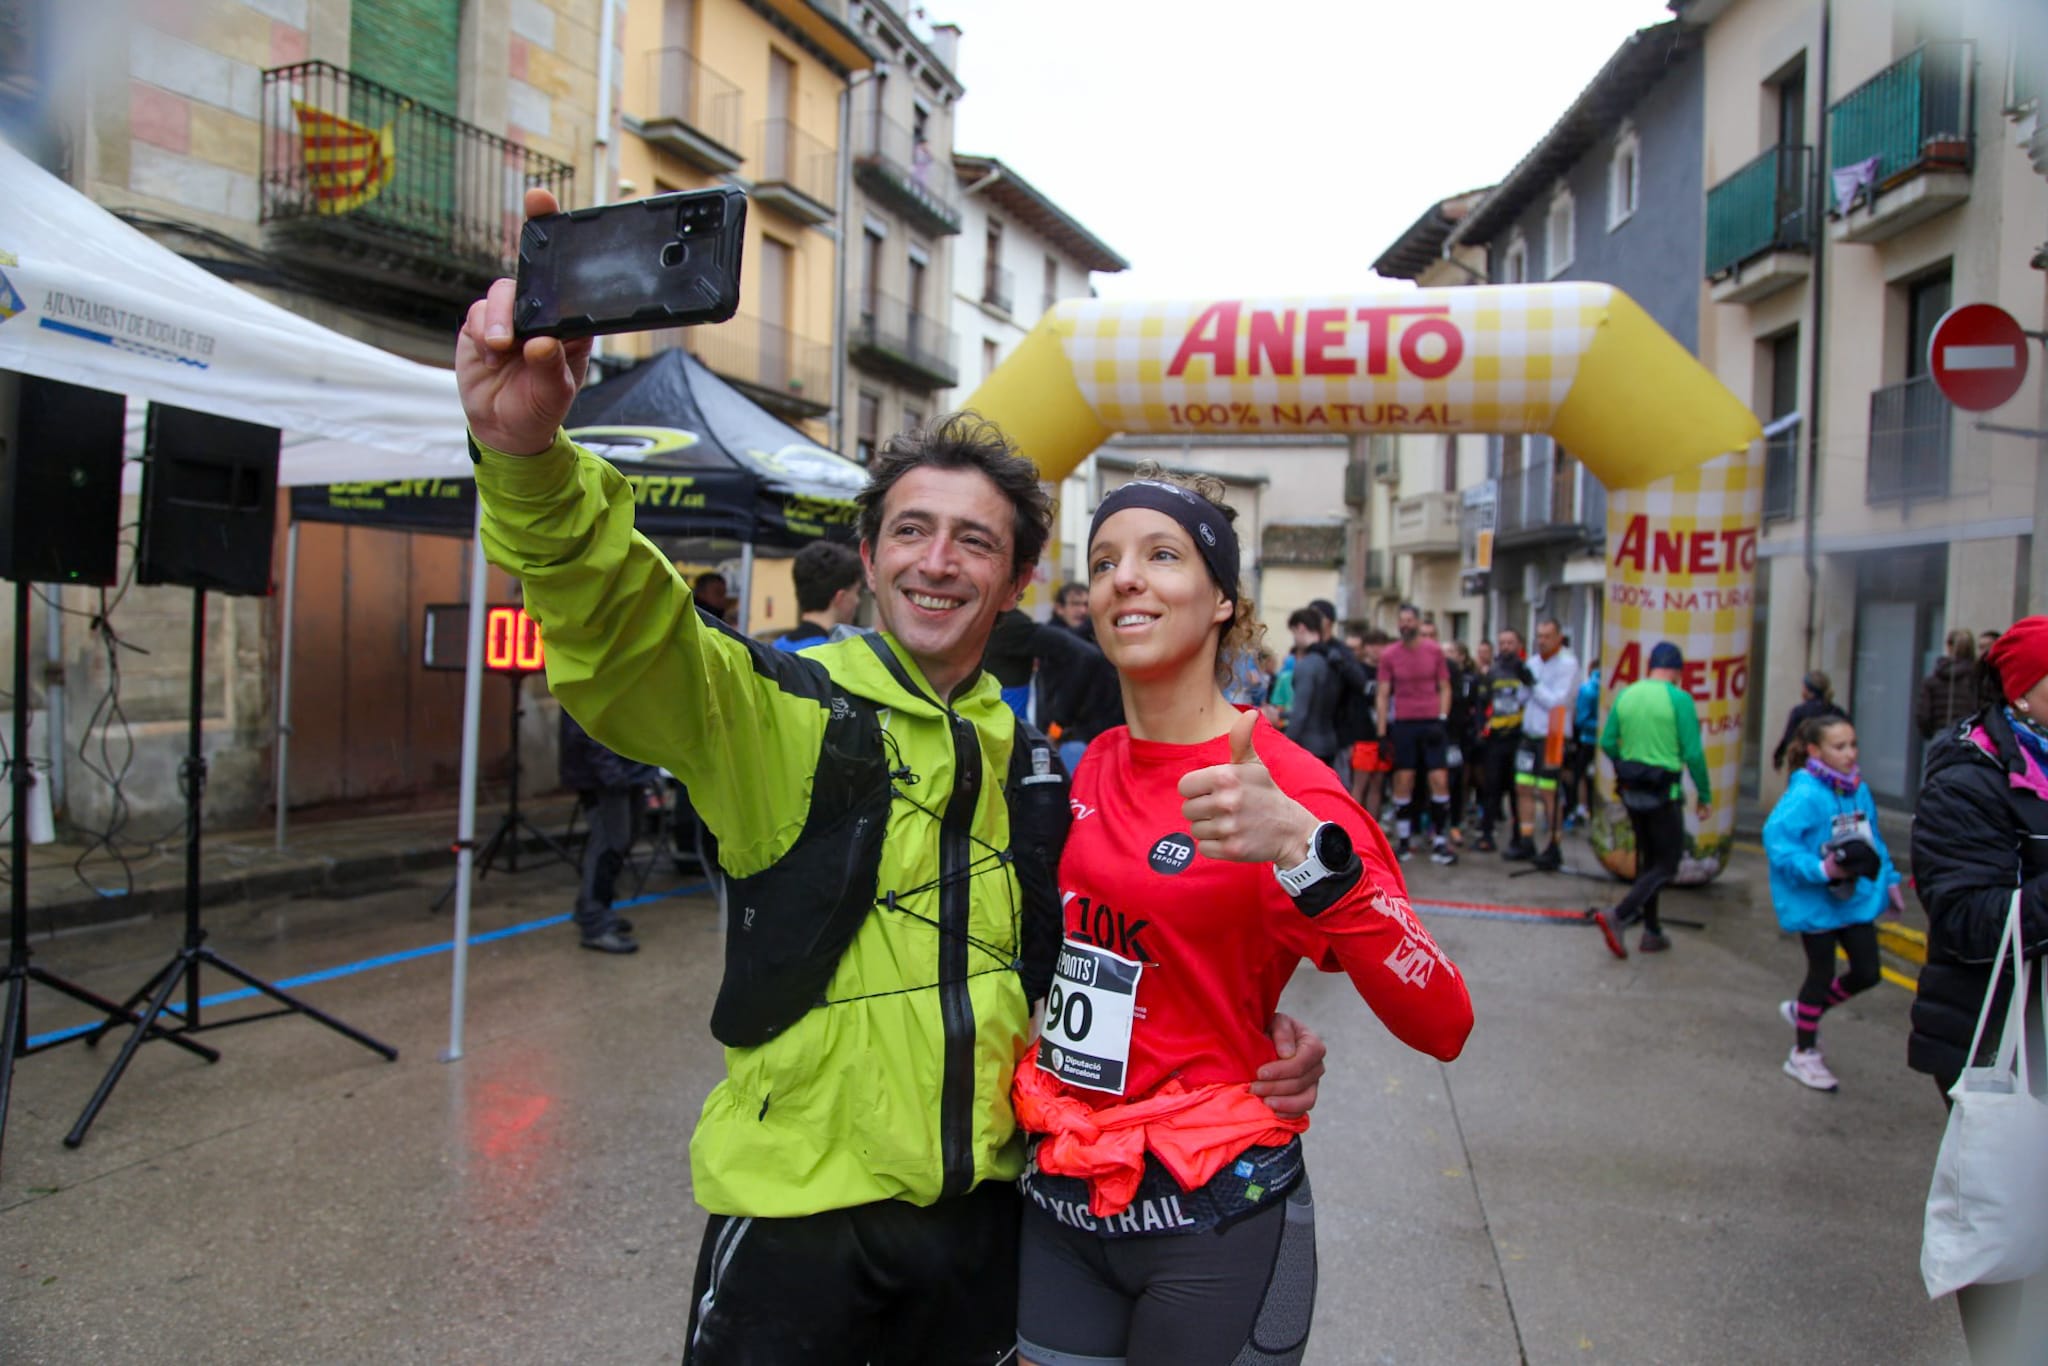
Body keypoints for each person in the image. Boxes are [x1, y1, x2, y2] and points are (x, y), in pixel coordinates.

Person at [454, 217, 1328, 1365]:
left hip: (983, 1222)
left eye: (974, 542)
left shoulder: (1036, 762)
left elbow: (1121, 952)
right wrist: (525, 461)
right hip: (796, 1219)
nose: (935, 559)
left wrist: (1249, 1040)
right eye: (909, 530)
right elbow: (625, 627)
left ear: (1013, 581)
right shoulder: (778, 710)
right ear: (864, 558)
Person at [1012, 468, 1474, 1366]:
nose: (1124, 579)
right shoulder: (1090, 763)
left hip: (1211, 1216)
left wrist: (1309, 853)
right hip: (1062, 1197)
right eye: (1105, 561)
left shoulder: (1288, 787)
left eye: (1161, 555)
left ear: (1223, 599)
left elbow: (1444, 1018)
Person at [1909, 616, 2048, 1362]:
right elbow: (1965, 918)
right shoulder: (1968, 775)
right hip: (1996, 1035)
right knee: (2010, 1231)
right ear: (2025, 691)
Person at [1762, 714, 1902, 1090]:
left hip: (1854, 900)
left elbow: (1873, 838)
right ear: (1815, 751)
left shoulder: (1859, 790)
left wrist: (1889, 880)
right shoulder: (1805, 794)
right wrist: (1820, 869)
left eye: (1853, 744)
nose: (1850, 753)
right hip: (1815, 905)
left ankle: (1806, 1012)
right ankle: (1803, 1054)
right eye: (1839, 747)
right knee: (1820, 975)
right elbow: (1777, 842)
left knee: (1868, 971)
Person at [1588, 643, 1710, 957]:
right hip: (1663, 794)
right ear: (1678, 672)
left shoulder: (1627, 695)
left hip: (1631, 792)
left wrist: (1628, 765)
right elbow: (1694, 754)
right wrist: (1705, 796)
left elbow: (1607, 742)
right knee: (1667, 865)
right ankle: (1620, 914)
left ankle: (1652, 932)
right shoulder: (1679, 699)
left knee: (1648, 863)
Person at [559, 708, 659, 954]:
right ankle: (595, 923)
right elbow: (583, 724)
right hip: (605, 774)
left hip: (628, 770)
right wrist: (611, 772)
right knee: (608, 843)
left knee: (623, 839)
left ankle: (594, 910)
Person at [1377, 603, 1457, 865]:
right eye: (1402, 620)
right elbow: (1383, 693)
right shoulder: (1389, 654)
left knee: (1439, 779)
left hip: (1432, 722)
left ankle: (1440, 842)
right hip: (1404, 723)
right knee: (1404, 780)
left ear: (1418, 623)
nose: (1405, 624)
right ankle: (1403, 841)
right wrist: (1381, 733)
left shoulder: (1434, 651)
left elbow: (1445, 687)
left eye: (1410, 620)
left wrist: (1443, 719)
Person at [1509, 619, 1579, 870]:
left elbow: (1557, 702)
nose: (1542, 641)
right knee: (1523, 786)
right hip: (1529, 734)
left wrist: (1534, 684)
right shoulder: (1533, 663)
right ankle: (1526, 839)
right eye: (1539, 636)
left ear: (1559, 637)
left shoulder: (1568, 664)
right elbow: (1521, 698)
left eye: (1547, 636)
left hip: (1553, 735)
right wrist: (1523, 681)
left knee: (1549, 792)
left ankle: (1554, 843)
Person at [1476, 628, 1533, 853]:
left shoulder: (1526, 671)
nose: (1506, 646)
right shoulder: (1493, 672)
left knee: (1516, 790)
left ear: (1519, 644)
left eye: (1510, 642)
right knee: (1491, 788)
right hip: (1496, 739)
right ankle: (1487, 834)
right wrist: (1481, 728)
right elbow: (1481, 703)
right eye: (1502, 642)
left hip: (1519, 738)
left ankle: (1518, 837)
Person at [772, 540, 866, 652]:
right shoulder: (837, 656)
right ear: (840, 597)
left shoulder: (776, 648)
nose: (857, 601)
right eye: (856, 592)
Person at [1339, 624, 1390, 824]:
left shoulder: (1388, 671)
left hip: (1382, 735)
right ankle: (1354, 827)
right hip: (1361, 735)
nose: (1377, 650)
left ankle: (1373, 826)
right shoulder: (1356, 671)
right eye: (1373, 645)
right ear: (1365, 647)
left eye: (1381, 645)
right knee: (1360, 783)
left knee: (1378, 784)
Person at [1284, 607, 1340, 766]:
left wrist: (1285, 744)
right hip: (1330, 740)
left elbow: (1301, 712)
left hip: (1309, 745)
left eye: (1294, 633)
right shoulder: (1332, 661)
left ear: (1301, 628)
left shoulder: (1307, 665)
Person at [1770, 670, 1847, 771]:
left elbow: (1788, 737)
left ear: (1807, 690)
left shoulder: (1800, 711)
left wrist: (1778, 756)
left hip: (1804, 763)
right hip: (1831, 765)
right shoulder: (1838, 712)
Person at [1915, 628, 1979, 740]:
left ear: (1949, 647)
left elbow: (1924, 716)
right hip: (1969, 738)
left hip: (1941, 736)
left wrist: (1933, 734)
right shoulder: (1978, 678)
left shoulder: (1932, 681)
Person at [1567, 661, 1601, 827]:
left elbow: (1581, 719)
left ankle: (1580, 807)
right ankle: (1582, 808)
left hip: (1588, 740)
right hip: (1592, 741)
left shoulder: (1588, 689)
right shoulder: (1591, 690)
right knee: (1583, 775)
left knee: (1580, 776)